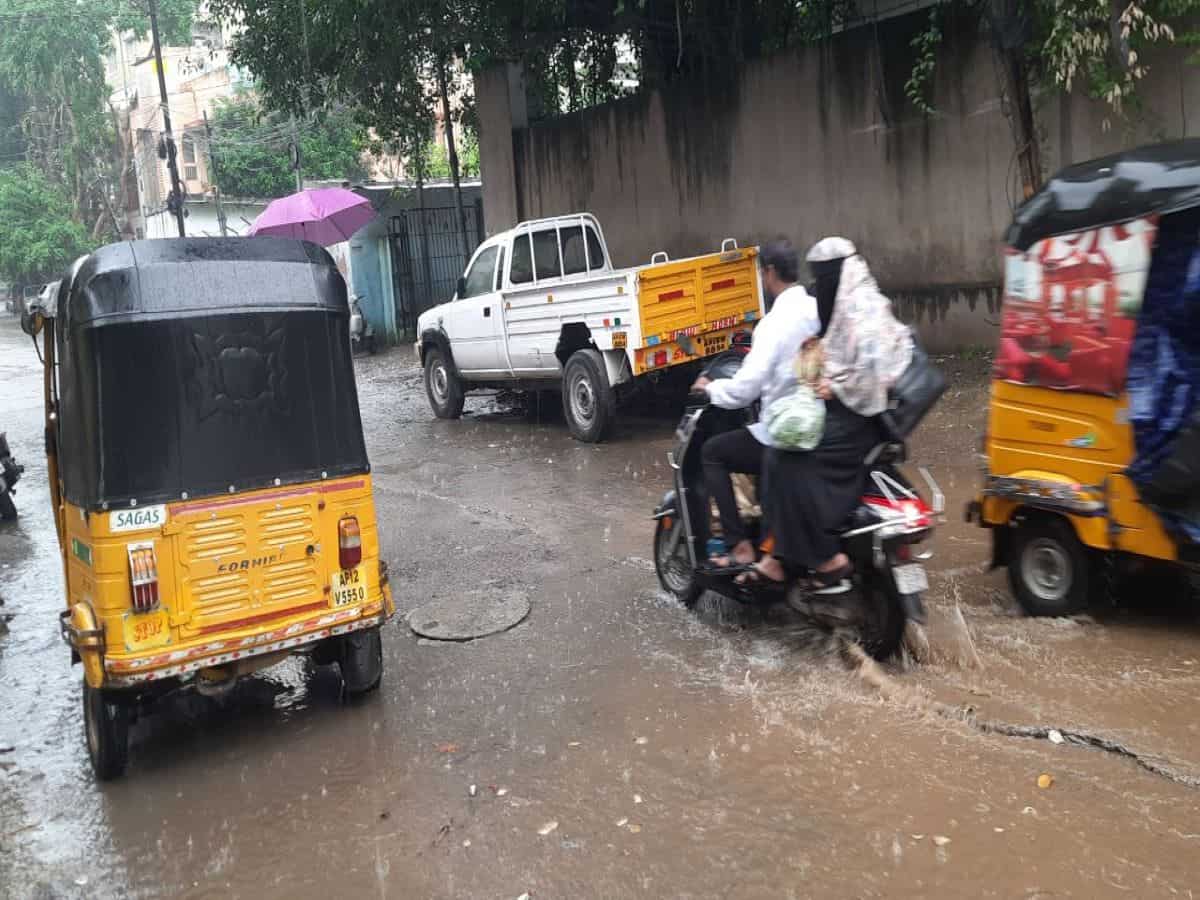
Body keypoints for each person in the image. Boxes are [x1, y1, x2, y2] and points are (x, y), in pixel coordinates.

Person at [751, 237, 914, 589]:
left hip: (857, 421)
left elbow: (869, 372)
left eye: (823, 276)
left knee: (782, 457)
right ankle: (783, 555)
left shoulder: (856, 315)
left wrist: (836, 387)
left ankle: (823, 558)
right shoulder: (863, 303)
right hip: (870, 420)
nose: (820, 284)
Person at [691, 238, 819, 567]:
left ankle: (738, 546)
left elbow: (745, 391)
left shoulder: (773, 324)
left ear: (770, 272)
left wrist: (712, 389)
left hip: (786, 430)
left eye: (762, 273)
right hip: (820, 424)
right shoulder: (816, 311)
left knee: (713, 453)